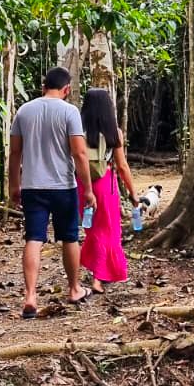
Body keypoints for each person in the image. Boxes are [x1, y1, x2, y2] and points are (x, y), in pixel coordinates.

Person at [9, 66, 96, 319]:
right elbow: (79, 153)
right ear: (67, 89)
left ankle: (30, 296)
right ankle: (74, 288)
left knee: (34, 238)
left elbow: (15, 153)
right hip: (63, 186)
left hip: (32, 186)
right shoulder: (69, 111)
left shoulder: (24, 111)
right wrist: (88, 189)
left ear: (43, 86)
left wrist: (14, 185)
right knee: (69, 237)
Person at [77, 87, 139, 295]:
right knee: (108, 230)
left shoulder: (78, 132)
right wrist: (133, 192)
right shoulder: (114, 133)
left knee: (92, 230)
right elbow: (122, 166)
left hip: (82, 185)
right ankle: (98, 278)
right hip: (106, 185)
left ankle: (92, 270)